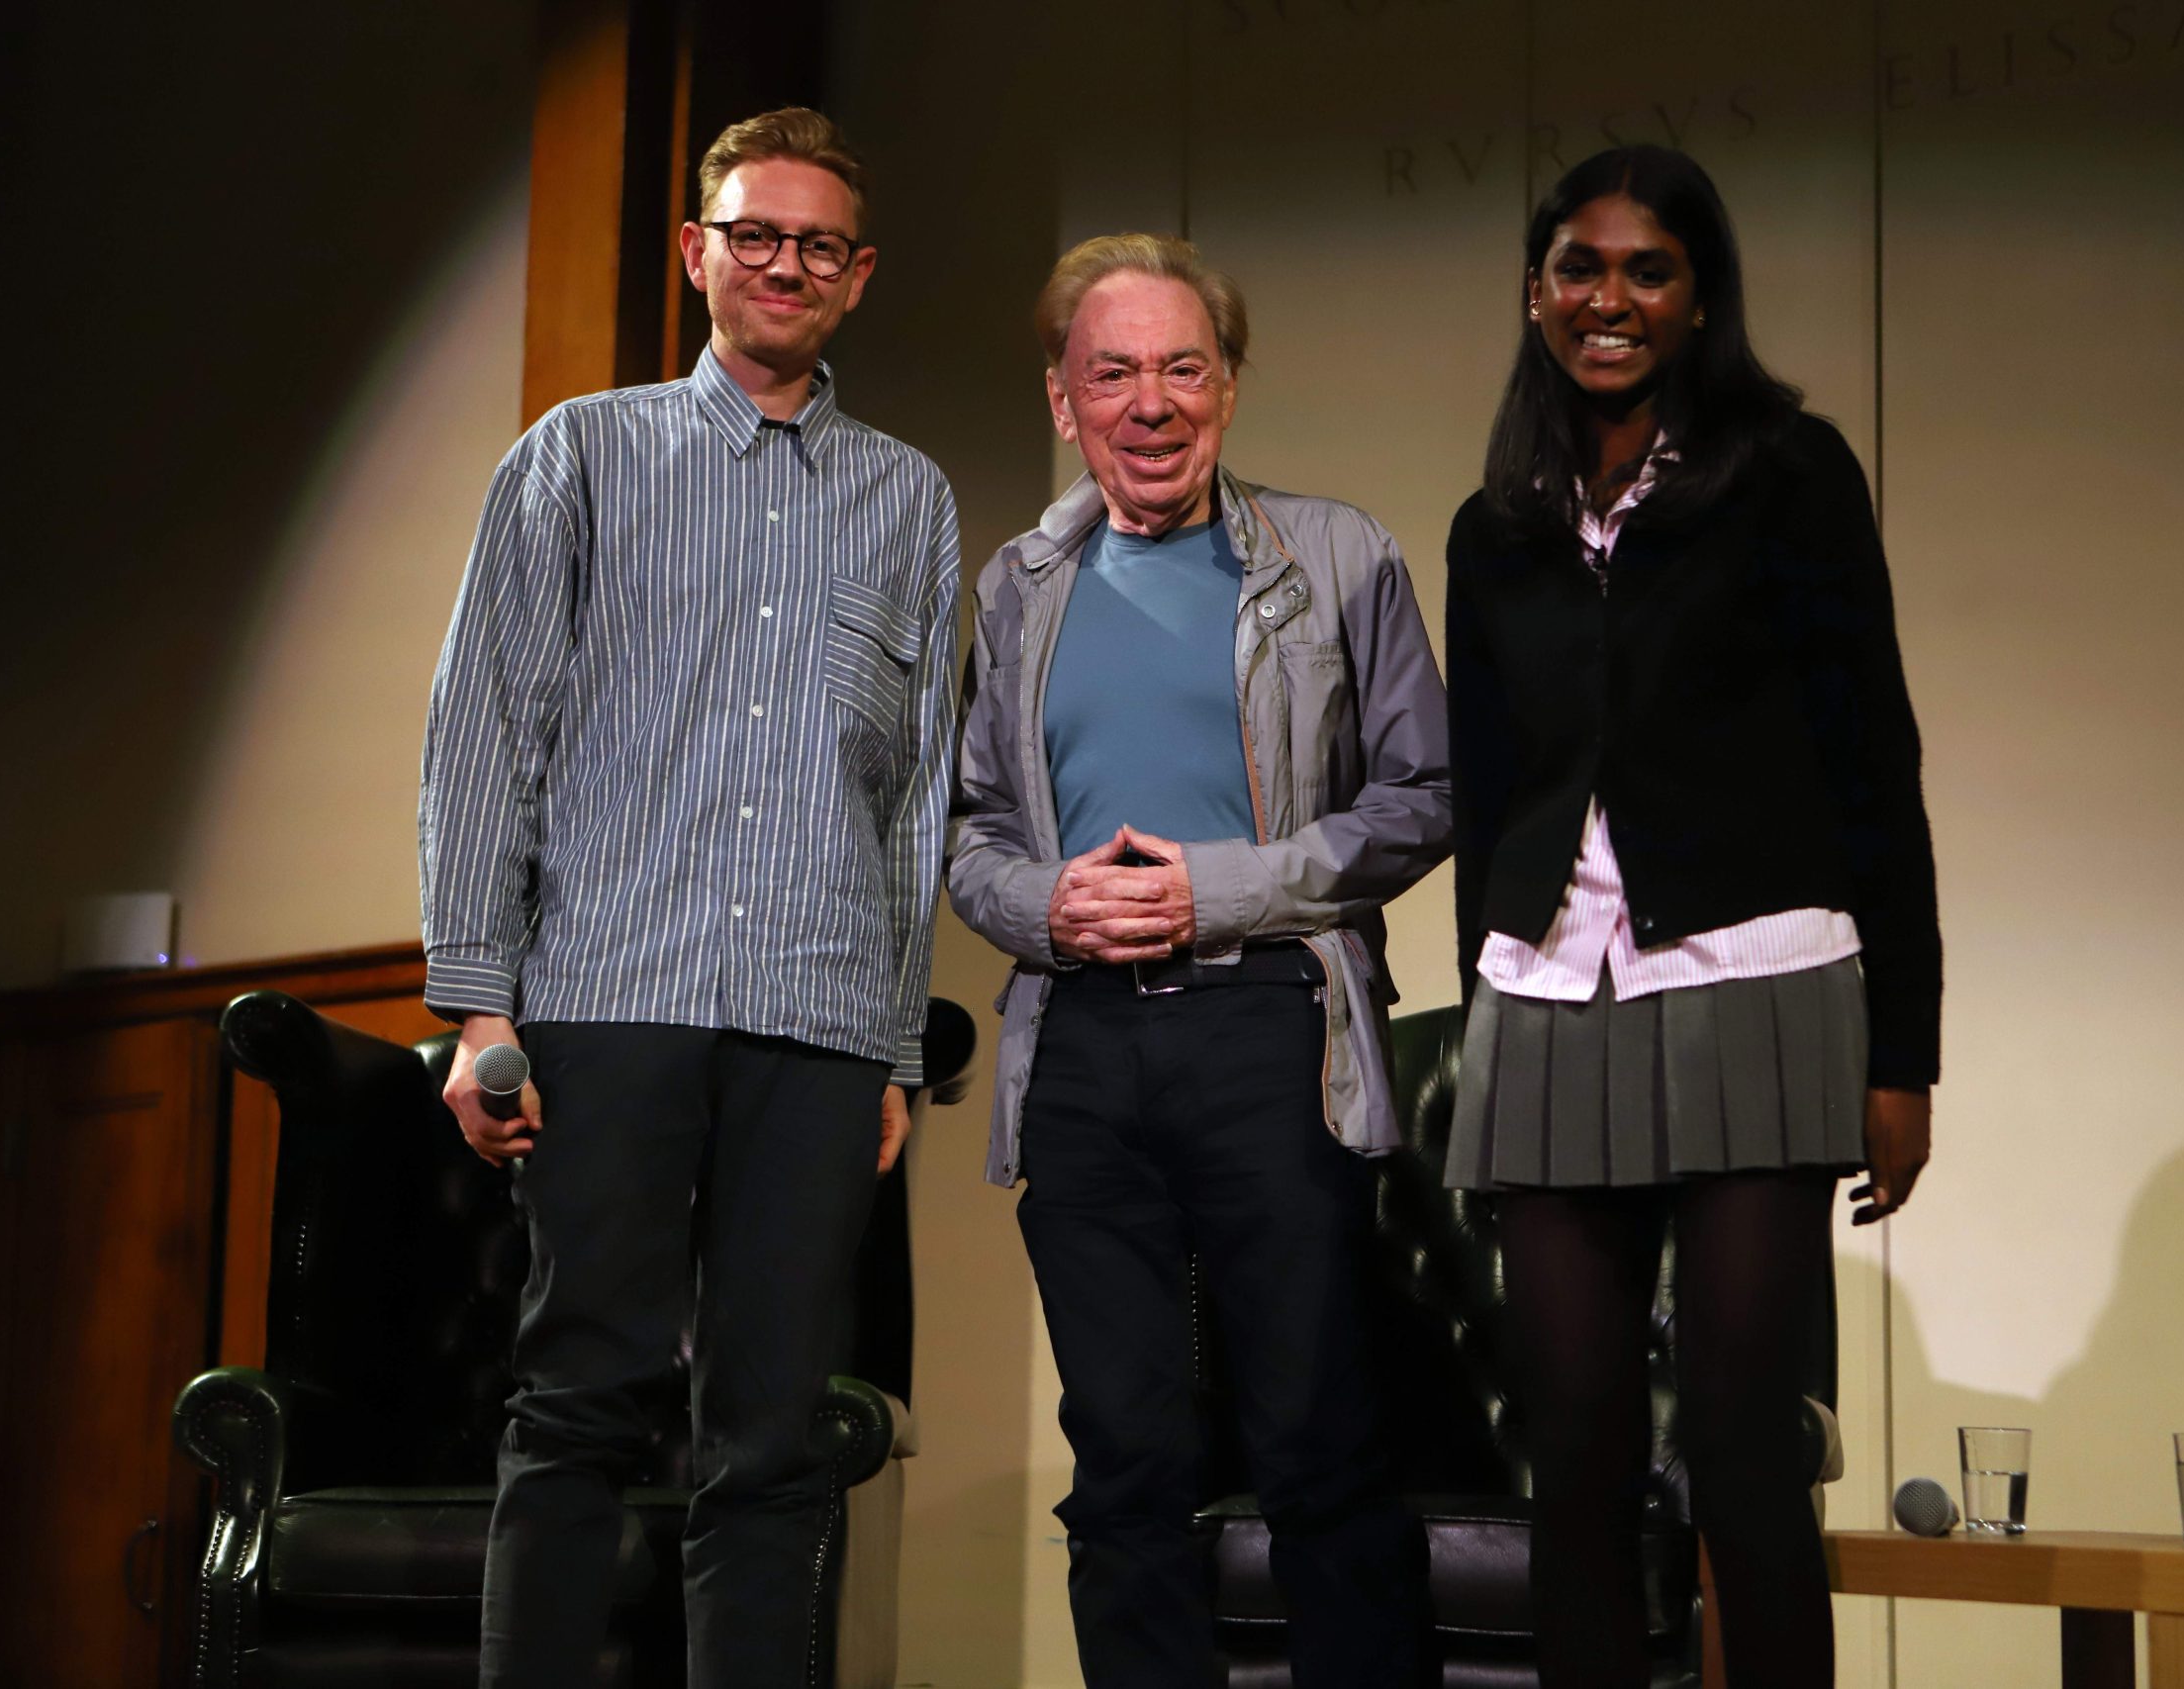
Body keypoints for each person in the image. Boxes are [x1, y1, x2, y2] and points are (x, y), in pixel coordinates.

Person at [418, 107, 960, 1689]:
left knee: (777, 1436)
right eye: (755, 234)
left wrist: (889, 1048)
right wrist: (477, 1001)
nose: (785, 263)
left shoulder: (911, 500)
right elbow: (484, 728)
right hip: (605, 1003)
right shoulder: (578, 454)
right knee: (578, 1401)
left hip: (812, 1024)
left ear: (856, 279)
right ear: (696, 253)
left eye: (818, 246)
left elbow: (913, 795)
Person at [1442, 144, 1942, 1687]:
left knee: (1736, 1446)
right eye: (1579, 268)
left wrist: (1903, 1060)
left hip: (1757, 982)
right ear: (1537, 295)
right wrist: (1483, 1011)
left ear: (1699, 295)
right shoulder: (1497, 526)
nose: (1610, 298)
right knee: (1575, 1457)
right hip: (1548, 997)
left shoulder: (1789, 475)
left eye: (1646, 270)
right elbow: (1487, 799)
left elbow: (1879, 764)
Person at [946, 233, 1447, 1689]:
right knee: (1122, 1466)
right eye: (1115, 372)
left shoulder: (1338, 553)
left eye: (1182, 367)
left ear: (1227, 387)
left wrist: (1216, 892)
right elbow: (973, 831)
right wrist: (1051, 909)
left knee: (1317, 1446)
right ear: (1063, 398)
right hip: (1082, 1049)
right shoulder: (1016, 585)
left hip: (1272, 1027)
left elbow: (1422, 798)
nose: (1150, 403)